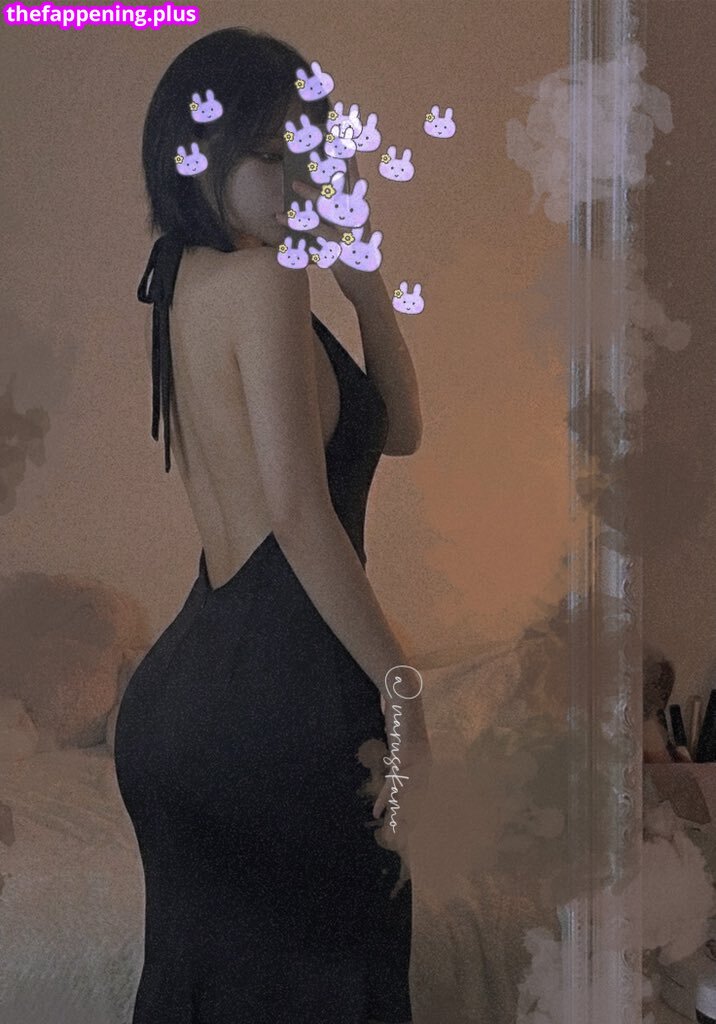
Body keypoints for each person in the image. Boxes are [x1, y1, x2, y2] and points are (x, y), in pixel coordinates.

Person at [113, 25, 430, 1024]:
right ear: (197, 156)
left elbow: (400, 431)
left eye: (308, 153)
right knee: (334, 975)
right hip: (283, 706)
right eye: (268, 154)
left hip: (187, 706)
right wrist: (402, 688)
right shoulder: (263, 283)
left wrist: (364, 283)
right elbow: (298, 512)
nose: (298, 178)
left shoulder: (184, 280)